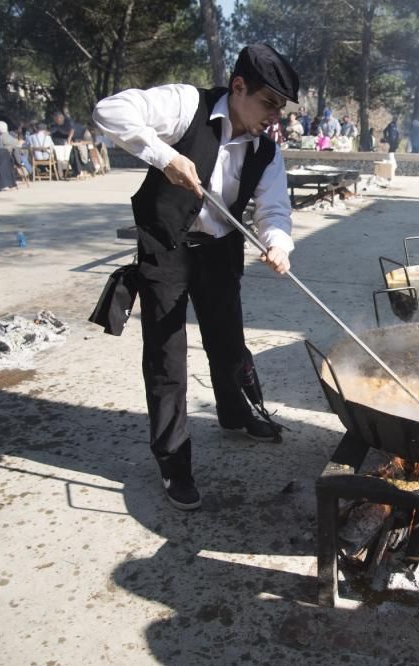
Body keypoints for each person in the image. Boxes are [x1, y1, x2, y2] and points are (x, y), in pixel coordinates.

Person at [92, 43, 297, 510]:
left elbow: (274, 209)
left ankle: (237, 413)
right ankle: (173, 462)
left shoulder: (266, 150)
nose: (273, 116)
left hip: (220, 250)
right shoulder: (188, 105)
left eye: (279, 108)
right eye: (268, 103)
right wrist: (164, 156)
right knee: (167, 359)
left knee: (228, 342)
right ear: (239, 87)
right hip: (166, 245)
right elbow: (110, 111)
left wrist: (278, 243)